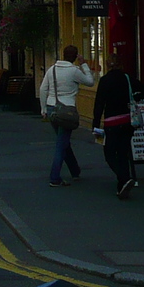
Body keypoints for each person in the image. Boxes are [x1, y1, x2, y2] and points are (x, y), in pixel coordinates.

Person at [39, 45, 95, 188]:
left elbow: (43, 89)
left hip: (52, 108)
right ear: (75, 56)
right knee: (61, 144)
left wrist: (43, 108)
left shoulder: (52, 70)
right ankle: (55, 178)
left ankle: (75, 171)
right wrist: (84, 64)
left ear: (63, 54)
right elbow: (90, 82)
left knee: (63, 141)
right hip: (67, 111)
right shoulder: (74, 71)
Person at [92, 57, 144, 199]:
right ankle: (122, 187)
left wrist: (95, 123)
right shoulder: (127, 78)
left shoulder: (105, 80)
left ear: (107, 65)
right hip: (127, 121)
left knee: (110, 154)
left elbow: (99, 103)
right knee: (123, 153)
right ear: (120, 65)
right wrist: (134, 98)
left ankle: (124, 178)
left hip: (112, 122)